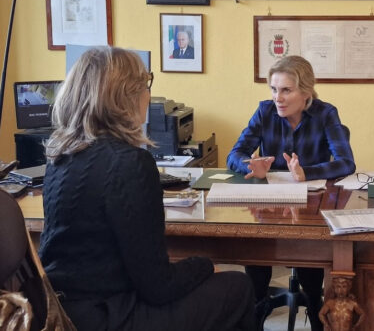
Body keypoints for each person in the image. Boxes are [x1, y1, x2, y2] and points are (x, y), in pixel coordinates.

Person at [39, 46, 255, 331]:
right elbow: (158, 287)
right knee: (238, 286)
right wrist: (205, 264)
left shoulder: (59, 157)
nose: (149, 94)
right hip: (111, 316)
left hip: (60, 311)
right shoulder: (130, 163)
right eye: (146, 84)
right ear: (126, 97)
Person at [227, 55, 356, 331]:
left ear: (306, 92)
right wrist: (251, 165)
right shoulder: (265, 112)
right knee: (256, 261)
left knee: (311, 271)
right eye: (274, 89)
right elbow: (234, 153)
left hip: (310, 211)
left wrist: (306, 172)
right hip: (268, 208)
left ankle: (314, 309)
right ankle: (257, 312)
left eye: (286, 90)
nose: (278, 98)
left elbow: (346, 162)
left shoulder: (325, 114)